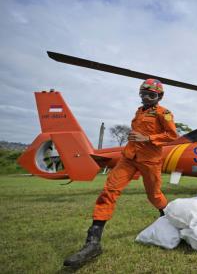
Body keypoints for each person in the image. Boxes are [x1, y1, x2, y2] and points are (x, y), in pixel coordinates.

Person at [64, 79, 178, 267]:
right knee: (109, 191)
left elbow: (172, 135)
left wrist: (147, 138)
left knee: (154, 195)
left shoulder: (164, 113)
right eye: (143, 94)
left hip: (149, 160)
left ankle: (168, 219)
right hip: (129, 157)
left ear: (160, 97)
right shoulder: (139, 111)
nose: (146, 98)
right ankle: (92, 243)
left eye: (152, 95)